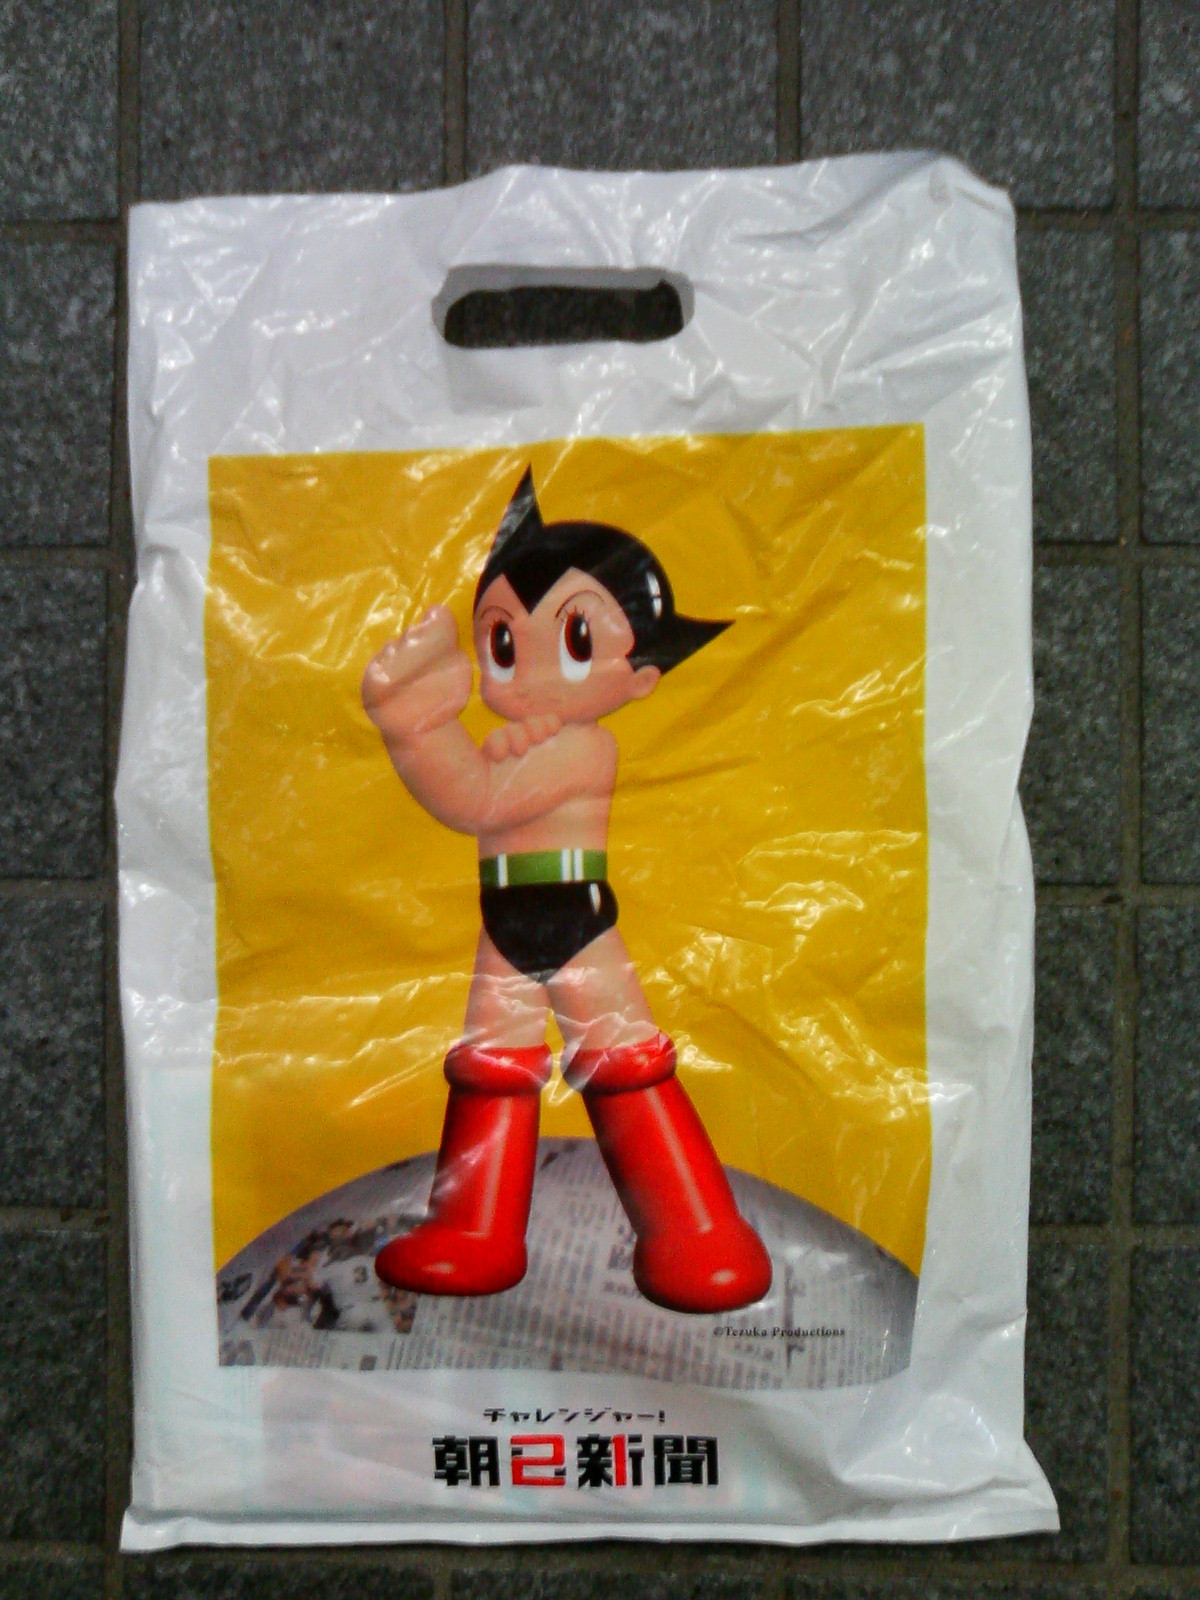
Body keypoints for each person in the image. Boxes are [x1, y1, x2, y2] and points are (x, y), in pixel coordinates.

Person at [362, 468, 771, 1314]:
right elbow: (479, 795)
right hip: (505, 916)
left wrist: (417, 728)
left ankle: (697, 1232)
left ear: (641, 677)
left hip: (576, 919)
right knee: (492, 1067)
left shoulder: (584, 749)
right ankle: (473, 1230)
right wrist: (429, 729)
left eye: (576, 639)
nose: (524, 672)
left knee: (624, 1064)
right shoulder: (525, 742)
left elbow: (474, 801)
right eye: (503, 642)